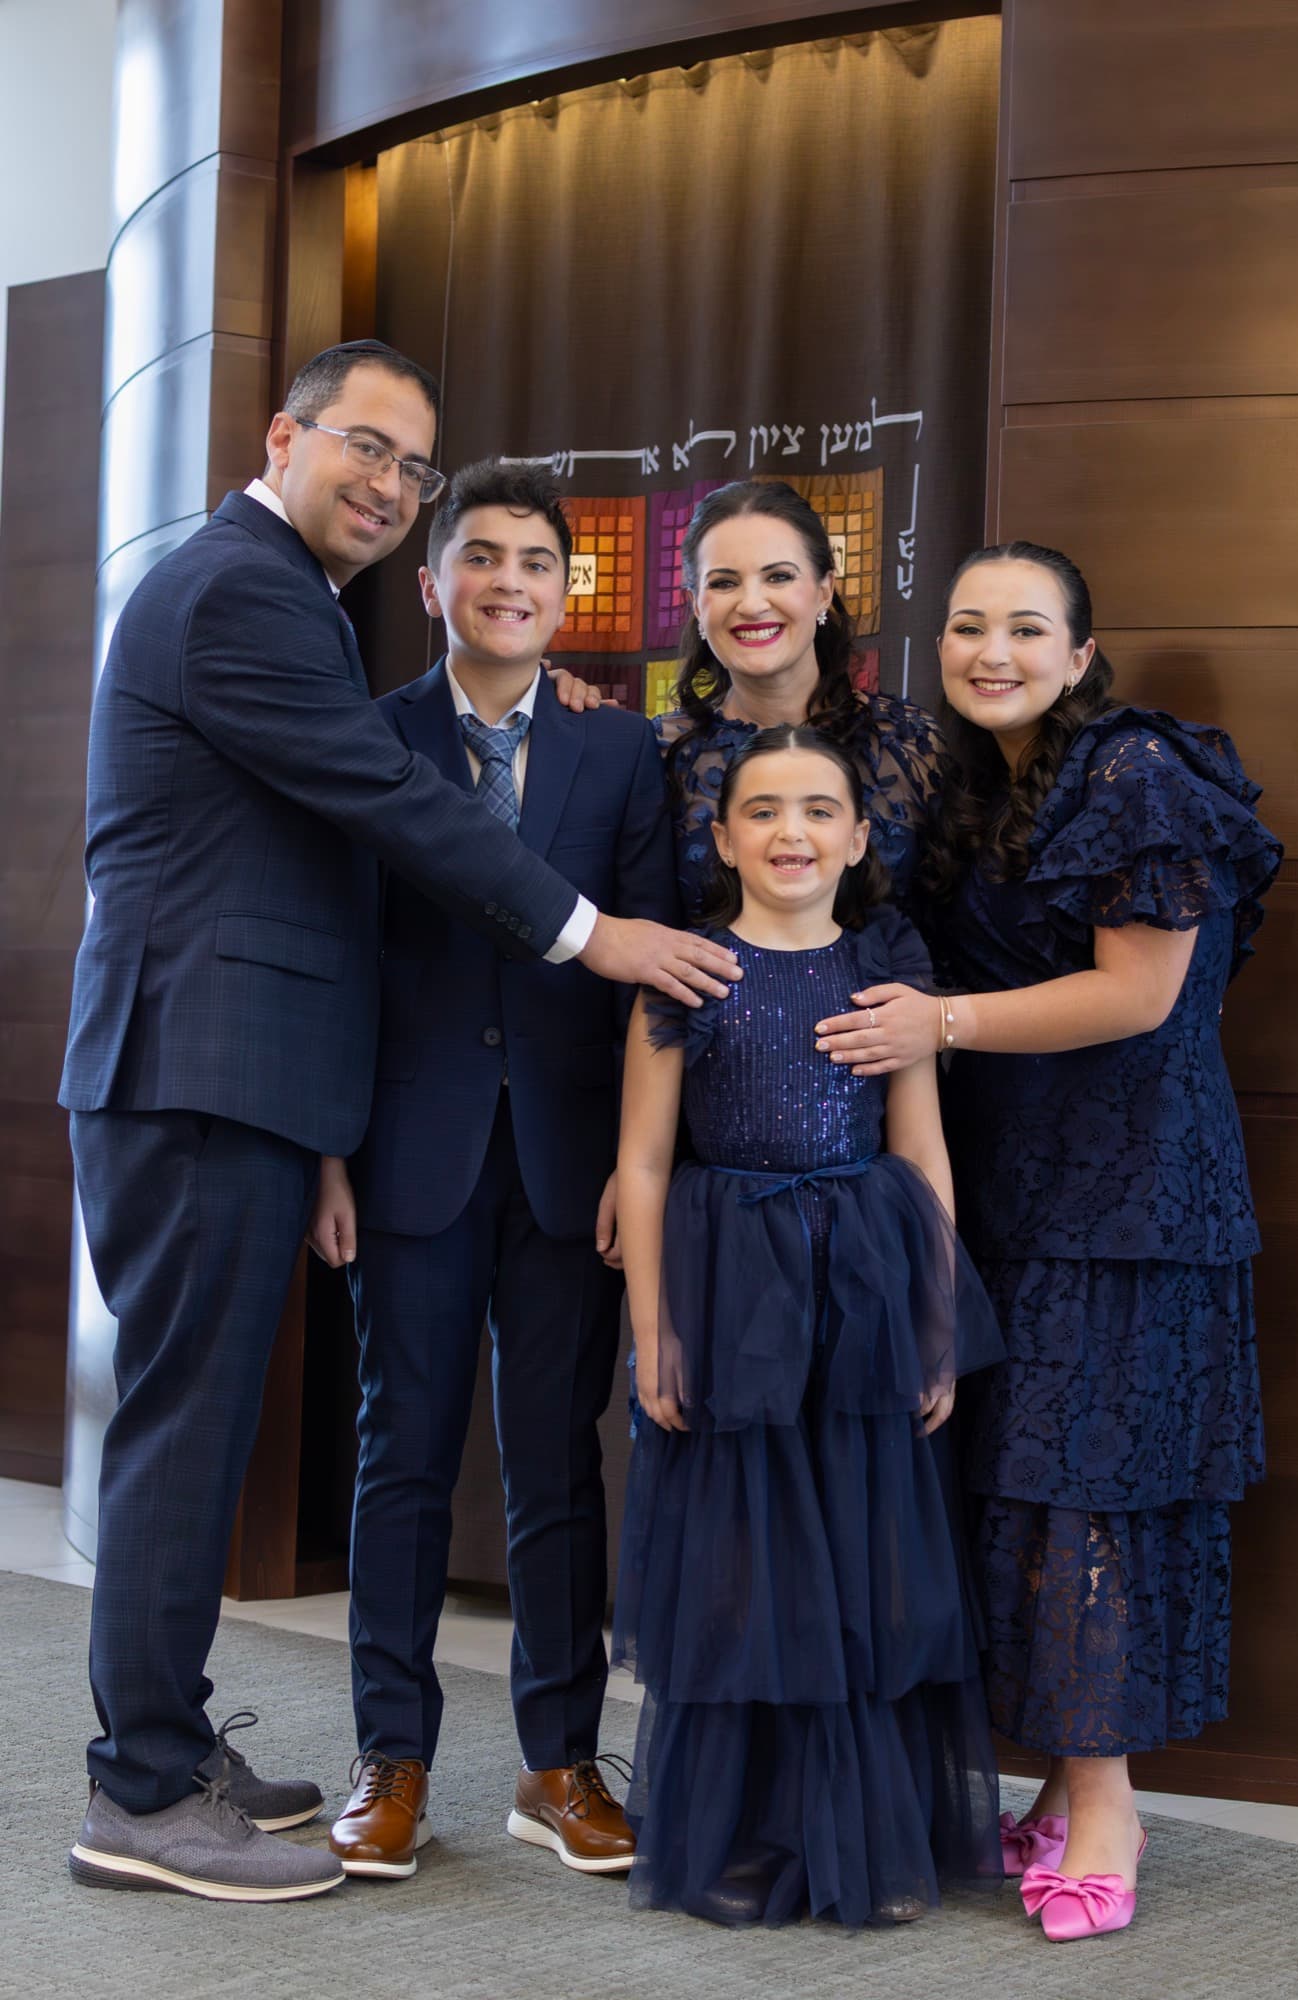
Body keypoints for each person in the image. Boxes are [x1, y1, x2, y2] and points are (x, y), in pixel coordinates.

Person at [60, 341, 738, 1904]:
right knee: (187, 1429)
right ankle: (143, 1790)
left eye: (410, 465)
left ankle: (170, 1745)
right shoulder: (246, 593)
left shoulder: (278, 594)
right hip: (204, 1064)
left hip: (251, 1076)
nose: (385, 483)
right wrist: (591, 932)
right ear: (282, 437)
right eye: (364, 447)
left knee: (205, 1425)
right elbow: (386, 800)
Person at [814, 542, 1280, 1942]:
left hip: (1133, 1200)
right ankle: (1064, 1789)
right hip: (1013, 1188)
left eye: (1025, 628)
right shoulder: (974, 782)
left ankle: (1108, 1806)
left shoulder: (1133, 770)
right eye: (967, 626)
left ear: (1080, 654)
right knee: (1022, 1495)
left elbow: (1140, 995)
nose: (990, 651)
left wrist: (938, 1022)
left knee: (1087, 1493)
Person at [306, 459, 677, 1881]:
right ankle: (389, 1758)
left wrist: (634, 1164)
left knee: (557, 1466)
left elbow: (644, 970)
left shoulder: (619, 751)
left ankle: (559, 1763)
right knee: (399, 1454)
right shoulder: (368, 735)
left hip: (569, 1161)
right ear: (432, 581)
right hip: (409, 1152)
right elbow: (339, 958)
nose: (507, 581)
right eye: (481, 556)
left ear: (566, 594)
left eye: (533, 561)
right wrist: (329, 1154)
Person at [612, 725, 1005, 1927]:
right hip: (731, 1291)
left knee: (862, 1562)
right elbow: (642, 1162)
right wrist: (653, 1333)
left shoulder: (887, 968)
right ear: (723, 837)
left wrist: (935, 1319)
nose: (793, 831)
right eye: (764, 810)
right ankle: (748, 1827)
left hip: (863, 1289)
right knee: (741, 1561)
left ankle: (860, 1833)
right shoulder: (686, 972)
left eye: (820, 809)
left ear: (859, 835)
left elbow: (920, 1149)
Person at [655, 479, 942, 921]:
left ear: (824, 591)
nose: (752, 604)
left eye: (779, 577)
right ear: (696, 606)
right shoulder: (656, 754)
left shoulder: (909, 743)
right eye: (725, 582)